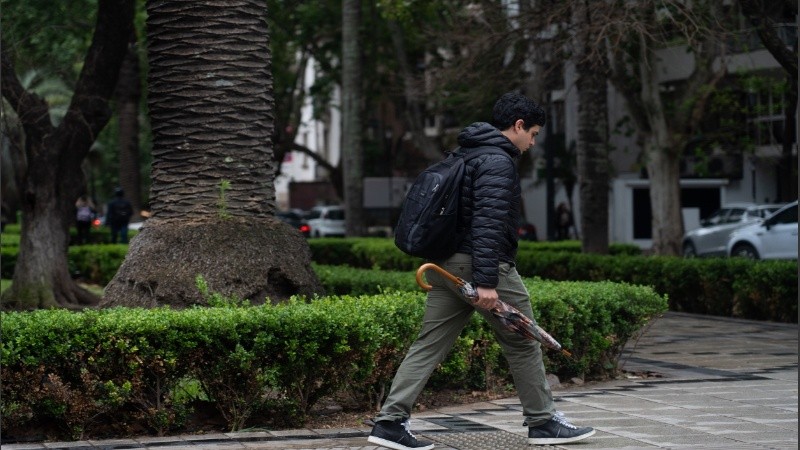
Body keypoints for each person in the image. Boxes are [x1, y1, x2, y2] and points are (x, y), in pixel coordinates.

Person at [367, 92, 595, 450]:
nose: (533, 142)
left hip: (447, 265)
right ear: (517, 126)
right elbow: (487, 223)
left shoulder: (466, 152)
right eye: (533, 134)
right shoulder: (497, 161)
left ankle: (389, 423)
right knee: (523, 339)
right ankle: (543, 423)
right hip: (483, 266)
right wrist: (487, 282)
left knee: (429, 344)